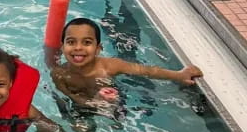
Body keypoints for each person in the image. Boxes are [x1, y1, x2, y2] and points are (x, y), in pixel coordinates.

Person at [50, 17, 203, 117]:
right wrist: (94, 103)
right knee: (79, 127)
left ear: (98, 48)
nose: (78, 48)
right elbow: (69, 96)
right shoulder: (59, 74)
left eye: (87, 42)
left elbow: (146, 71)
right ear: (62, 48)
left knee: (118, 118)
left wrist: (179, 75)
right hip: (82, 106)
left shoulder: (110, 66)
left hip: (112, 100)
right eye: (71, 42)